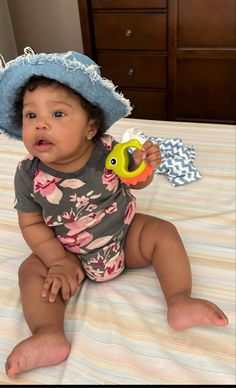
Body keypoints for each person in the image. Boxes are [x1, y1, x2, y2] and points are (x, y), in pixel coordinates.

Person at [0, 48, 228, 379]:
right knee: (30, 272)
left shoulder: (108, 151)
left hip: (123, 236)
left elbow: (136, 182)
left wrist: (146, 168)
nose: (41, 125)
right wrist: (58, 260)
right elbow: (31, 222)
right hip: (68, 253)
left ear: (91, 127)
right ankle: (48, 333)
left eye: (58, 114)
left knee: (163, 232)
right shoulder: (28, 175)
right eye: (31, 116)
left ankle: (179, 299)